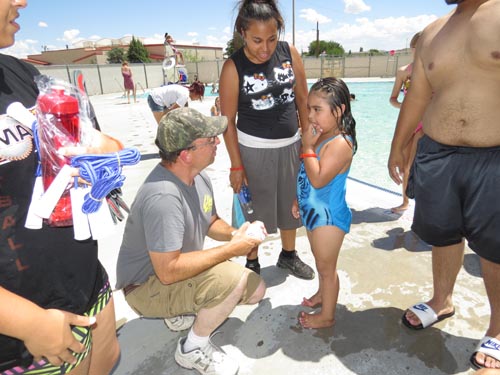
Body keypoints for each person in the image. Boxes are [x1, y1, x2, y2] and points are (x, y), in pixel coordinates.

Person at [0, 1, 122, 374]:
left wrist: (106, 155)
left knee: (109, 358)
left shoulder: (23, 75)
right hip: (24, 331)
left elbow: (104, 149)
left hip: (86, 286)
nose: (22, 1)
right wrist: (26, 322)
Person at [388, 0, 500, 370]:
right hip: (438, 154)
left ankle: (498, 329)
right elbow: (418, 95)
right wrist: (398, 145)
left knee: (494, 248)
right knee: (443, 234)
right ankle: (442, 300)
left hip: (494, 155)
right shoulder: (435, 31)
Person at [116, 107, 266, 375]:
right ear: (185, 154)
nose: (217, 142)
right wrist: (231, 250)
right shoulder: (163, 197)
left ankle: (179, 310)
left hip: (167, 274)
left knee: (256, 290)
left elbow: (210, 221)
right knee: (234, 277)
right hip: (145, 287)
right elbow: (168, 270)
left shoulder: (197, 176)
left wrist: (237, 235)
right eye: (210, 141)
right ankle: (192, 349)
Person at [219, 0, 315, 279]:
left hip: (290, 147)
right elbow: (228, 122)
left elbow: (303, 101)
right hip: (253, 151)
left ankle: (288, 255)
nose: (265, 48)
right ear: (242, 33)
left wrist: (307, 145)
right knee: (253, 211)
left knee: (290, 205)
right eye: (257, 40)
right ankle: (252, 263)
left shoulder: (290, 54)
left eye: (272, 39)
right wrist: (237, 166)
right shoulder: (232, 67)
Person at [291, 78, 357, 329]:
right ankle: (322, 294)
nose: (310, 115)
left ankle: (327, 316)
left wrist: (306, 145)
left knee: (327, 269)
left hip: (328, 217)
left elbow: (318, 179)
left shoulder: (340, 143)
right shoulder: (321, 136)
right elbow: (305, 172)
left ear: (339, 110)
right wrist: (297, 198)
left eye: (317, 110)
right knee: (320, 262)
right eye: (308, 108)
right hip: (313, 213)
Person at [388, 31, 423, 213]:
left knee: (417, 164)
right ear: (412, 49)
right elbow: (393, 98)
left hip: (428, 121)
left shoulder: (434, 70)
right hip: (410, 121)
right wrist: (406, 107)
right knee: (405, 165)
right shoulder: (404, 72)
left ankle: (419, 203)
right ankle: (405, 201)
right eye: (418, 47)